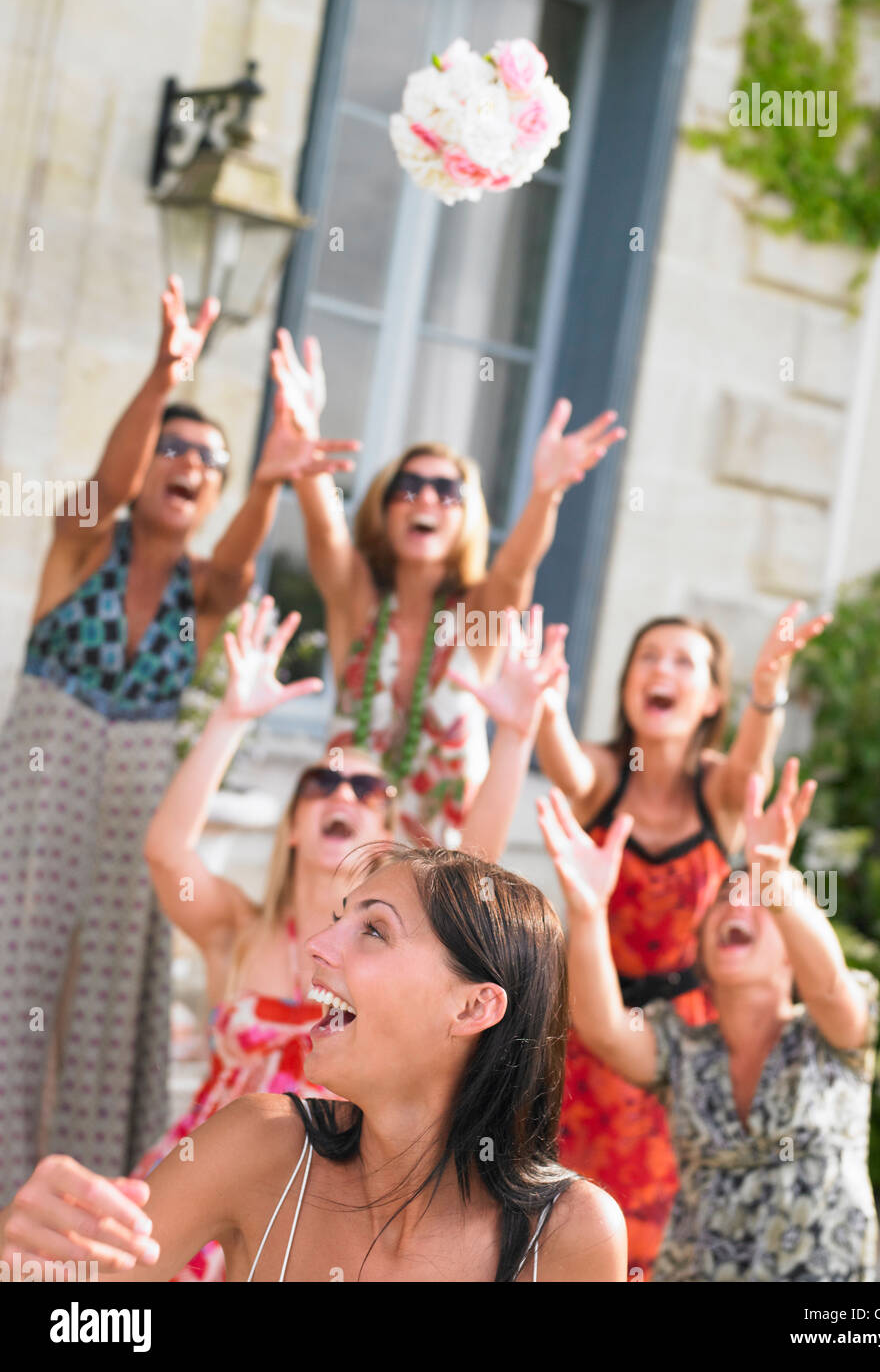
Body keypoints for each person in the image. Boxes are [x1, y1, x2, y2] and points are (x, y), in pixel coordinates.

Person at [0, 276, 357, 1206]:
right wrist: (164, 372)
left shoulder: (206, 594)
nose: (187, 463)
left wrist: (276, 477)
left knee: (102, 1009)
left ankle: (71, 1209)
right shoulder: (81, 542)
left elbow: (239, 566)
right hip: (35, 802)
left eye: (210, 457)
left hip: (128, 820)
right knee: (10, 978)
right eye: (174, 446)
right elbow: (109, 484)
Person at [132, 595, 567, 1279]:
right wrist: (228, 720)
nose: (341, 792)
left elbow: (477, 885)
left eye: (366, 786)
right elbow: (165, 854)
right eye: (320, 781)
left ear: (388, 830)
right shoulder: (239, 932)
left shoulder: (416, 954)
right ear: (292, 826)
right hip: (205, 1180)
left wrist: (514, 737)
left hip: (318, 1199)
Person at [0, 847, 628, 1282]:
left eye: (374, 930)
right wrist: (26, 1259)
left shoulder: (568, 1233)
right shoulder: (261, 1146)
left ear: (473, 1007)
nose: (317, 946)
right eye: (338, 920)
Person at [533, 605, 831, 1276]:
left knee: (663, 1223)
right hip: (583, 1027)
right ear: (625, 684)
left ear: (710, 699)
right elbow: (564, 768)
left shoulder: (718, 788)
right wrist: (545, 707)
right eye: (648, 656)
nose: (661, 670)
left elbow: (753, 760)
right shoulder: (603, 776)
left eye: (682, 661)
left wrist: (767, 685)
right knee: (563, 1213)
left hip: (681, 1039)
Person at [268, 328, 625, 845]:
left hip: (447, 884)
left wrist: (547, 492)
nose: (426, 500)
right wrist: (306, 440)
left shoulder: (478, 618)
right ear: (383, 509)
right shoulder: (359, 604)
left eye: (446, 490)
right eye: (408, 488)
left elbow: (514, 570)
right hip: (347, 866)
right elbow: (325, 532)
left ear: (466, 516)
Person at [538, 759, 880, 1282]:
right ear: (700, 953)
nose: (736, 903)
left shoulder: (835, 1033)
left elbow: (829, 982)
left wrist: (775, 879)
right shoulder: (683, 1050)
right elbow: (604, 1027)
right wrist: (587, 912)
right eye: (723, 899)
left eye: (756, 899)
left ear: (794, 947)